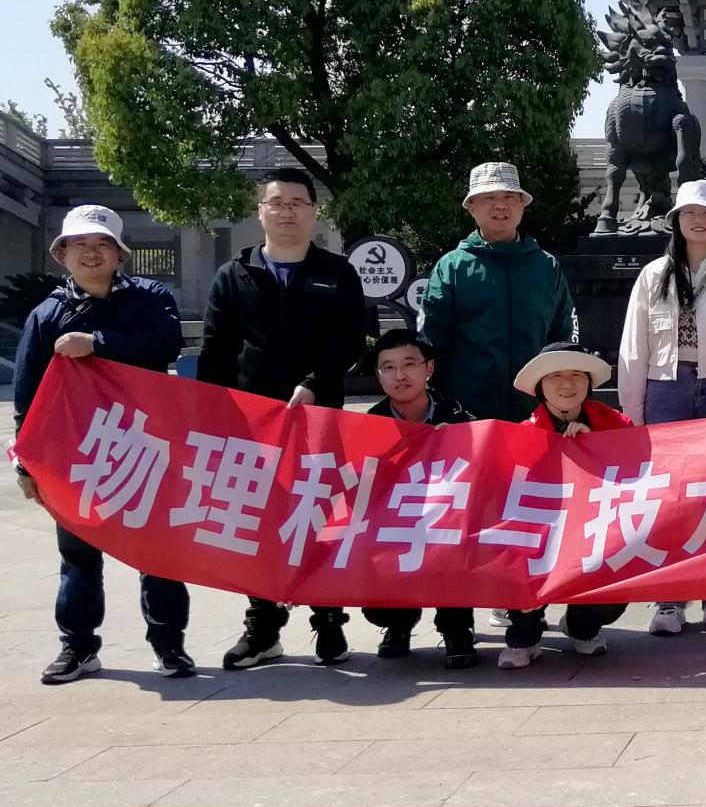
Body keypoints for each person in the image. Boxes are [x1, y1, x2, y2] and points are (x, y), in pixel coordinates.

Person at [197, 168, 370, 669]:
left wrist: (315, 381)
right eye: (277, 202)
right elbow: (215, 349)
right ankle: (263, 629)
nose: (287, 211)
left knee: (320, 518)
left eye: (298, 202)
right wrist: (212, 412)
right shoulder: (235, 274)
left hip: (320, 419)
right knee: (259, 523)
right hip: (253, 425)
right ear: (260, 212)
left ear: (315, 212)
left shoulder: (337, 273)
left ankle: (329, 622)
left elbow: (349, 340)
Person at [13, 206, 191, 684]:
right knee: (79, 555)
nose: (91, 253)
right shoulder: (47, 314)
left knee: (158, 549)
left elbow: (165, 343)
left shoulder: (151, 297)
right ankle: (77, 646)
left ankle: (169, 645)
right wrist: (25, 461)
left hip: (147, 445)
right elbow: (28, 393)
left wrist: (96, 341)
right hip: (78, 454)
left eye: (102, 245)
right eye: (80, 245)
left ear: (119, 254)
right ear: (62, 254)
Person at [619, 179, 706, 639]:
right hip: (666, 389)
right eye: (689, 214)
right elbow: (634, 346)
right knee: (669, 495)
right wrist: (633, 410)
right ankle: (668, 597)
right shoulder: (654, 275)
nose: (698, 221)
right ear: (676, 221)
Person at [501, 343, 630, 669]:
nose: (567, 384)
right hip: (540, 538)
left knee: (612, 590)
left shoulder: (618, 426)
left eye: (576, 375)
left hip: (596, 532)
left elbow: (639, 480)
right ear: (540, 385)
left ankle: (581, 626)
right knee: (514, 560)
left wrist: (595, 447)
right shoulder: (522, 435)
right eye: (555, 376)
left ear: (589, 382)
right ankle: (524, 633)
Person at [420, 162, 577, 421]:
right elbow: (431, 341)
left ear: (522, 205)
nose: (500, 205)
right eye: (489, 198)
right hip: (468, 412)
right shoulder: (453, 267)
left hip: (537, 411)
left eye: (509, 197)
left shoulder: (546, 266)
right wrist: (442, 404)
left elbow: (564, 335)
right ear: (471, 207)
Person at [361, 329, 478, 669]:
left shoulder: (459, 417)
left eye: (409, 364)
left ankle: (457, 628)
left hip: (446, 522)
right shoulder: (368, 426)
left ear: (429, 368)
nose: (400, 375)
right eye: (388, 367)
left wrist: (457, 444)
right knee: (378, 595)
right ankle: (399, 622)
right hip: (394, 527)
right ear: (379, 376)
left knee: (451, 545)